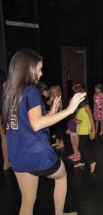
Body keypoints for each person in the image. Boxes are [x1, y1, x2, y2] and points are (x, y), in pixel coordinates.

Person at [1, 48, 86, 215]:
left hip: (17, 154)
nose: (40, 74)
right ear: (28, 68)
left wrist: (51, 113)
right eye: (38, 69)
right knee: (61, 176)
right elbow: (37, 124)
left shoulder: (10, 92)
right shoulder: (31, 90)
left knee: (28, 200)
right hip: (36, 153)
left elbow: (26, 122)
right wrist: (69, 110)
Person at [73, 88, 96, 173]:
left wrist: (93, 131)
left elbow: (91, 119)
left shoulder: (86, 107)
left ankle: (92, 162)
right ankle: (82, 162)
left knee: (81, 147)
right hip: (80, 129)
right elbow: (75, 118)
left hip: (85, 130)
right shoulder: (78, 107)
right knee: (82, 146)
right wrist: (76, 121)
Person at [0, 69, 9, 170]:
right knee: (5, 138)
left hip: (3, 113)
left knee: (4, 138)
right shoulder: (6, 84)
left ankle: (6, 163)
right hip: (4, 113)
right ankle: (7, 162)